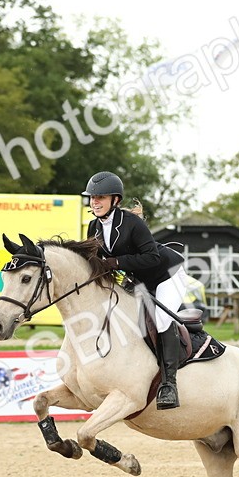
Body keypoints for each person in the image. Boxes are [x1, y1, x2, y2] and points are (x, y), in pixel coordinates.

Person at [83, 170, 188, 410]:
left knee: (161, 320)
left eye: (101, 197)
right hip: (139, 280)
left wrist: (118, 263)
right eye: (92, 198)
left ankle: (169, 384)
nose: (95, 202)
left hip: (167, 274)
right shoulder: (93, 226)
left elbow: (151, 258)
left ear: (115, 200)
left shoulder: (132, 224)